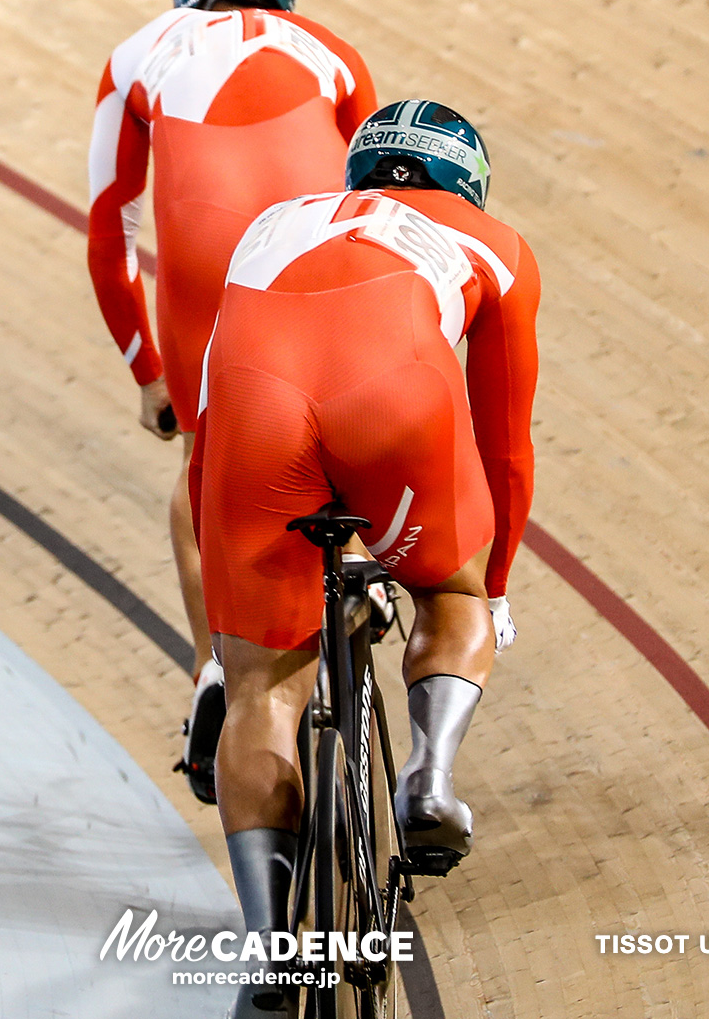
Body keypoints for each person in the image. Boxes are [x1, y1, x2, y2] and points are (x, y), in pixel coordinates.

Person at [191, 100, 539, 1016]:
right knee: (451, 595)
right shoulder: (494, 240)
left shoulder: (272, 225)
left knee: (262, 686)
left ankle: (269, 944)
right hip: (394, 398)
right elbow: (506, 445)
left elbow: (206, 419)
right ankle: (429, 772)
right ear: (468, 181)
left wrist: (221, 642)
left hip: (256, 410)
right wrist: (490, 585)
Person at [87, 0, 377, 804]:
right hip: (334, 268)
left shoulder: (140, 54)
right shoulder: (333, 51)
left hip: (209, 283)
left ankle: (216, 664)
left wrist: (149, 375)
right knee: (349, 429)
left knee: (206, 465)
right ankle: (363, 582)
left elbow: (112, 229)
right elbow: (389, 199)